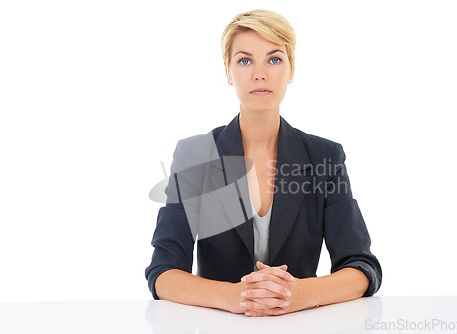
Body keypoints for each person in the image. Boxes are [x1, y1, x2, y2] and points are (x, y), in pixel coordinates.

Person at [145, 9, 382, 317]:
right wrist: (234, 296)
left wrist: (299, 294)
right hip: (218, 326)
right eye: (245, 60)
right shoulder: (195, 155)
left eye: (274, 59)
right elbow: (163, 273)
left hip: (301, 325)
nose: (260, 73)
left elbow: (362, 267)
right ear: (228, 71)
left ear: (291, 68)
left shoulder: (325, 157)